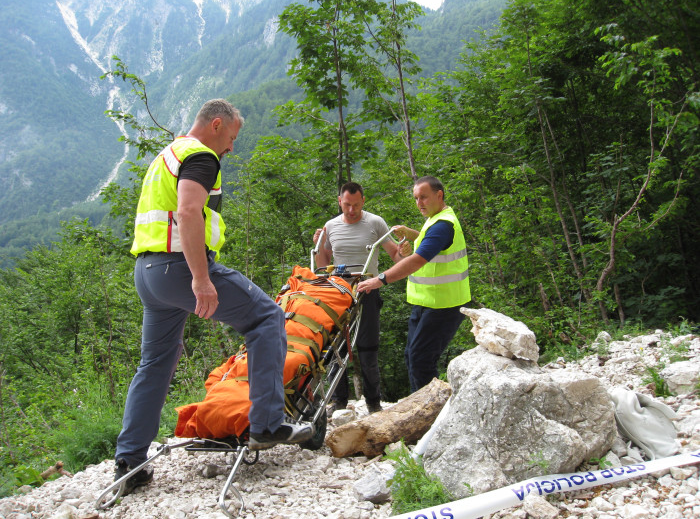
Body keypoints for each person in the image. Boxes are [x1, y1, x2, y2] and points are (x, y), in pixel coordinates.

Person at [114, 99, 312, 494]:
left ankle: (130, 460)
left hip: (147, 272)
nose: (232, 148)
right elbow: (189, 213)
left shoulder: (167, 154)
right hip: (179, 268)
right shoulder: (201, 156)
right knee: (267, 317)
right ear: (217, 125)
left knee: (154, 363)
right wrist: (202, 279)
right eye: (232, 138)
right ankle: (268, 425)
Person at [357, 176, 470, 393]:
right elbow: (432, 244)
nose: (420, 203)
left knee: (421, 359)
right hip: (429, 301)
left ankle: (430, 415)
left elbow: (418, 260)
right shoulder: (437, 219)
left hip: (444, 304)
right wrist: (412, 235)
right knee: (412, 355)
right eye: (416, 198)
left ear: (439, 195)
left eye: (424, 197)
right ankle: (420, 407)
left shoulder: (443, 225)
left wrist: (380, 279)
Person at [313, 182, 401, 413]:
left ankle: (374, 403)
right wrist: (319, 247)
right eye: (347, 205)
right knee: (334, 347)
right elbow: (323, 259)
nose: (351, 210)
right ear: (339, 202)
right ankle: (338, 401)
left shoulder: (375, 222)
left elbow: (394, 253)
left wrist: (404, 254)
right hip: (337, 293)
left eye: (356, 205)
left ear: (363, 201)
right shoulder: (330, 226)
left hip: (368, 290)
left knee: (368, 347)